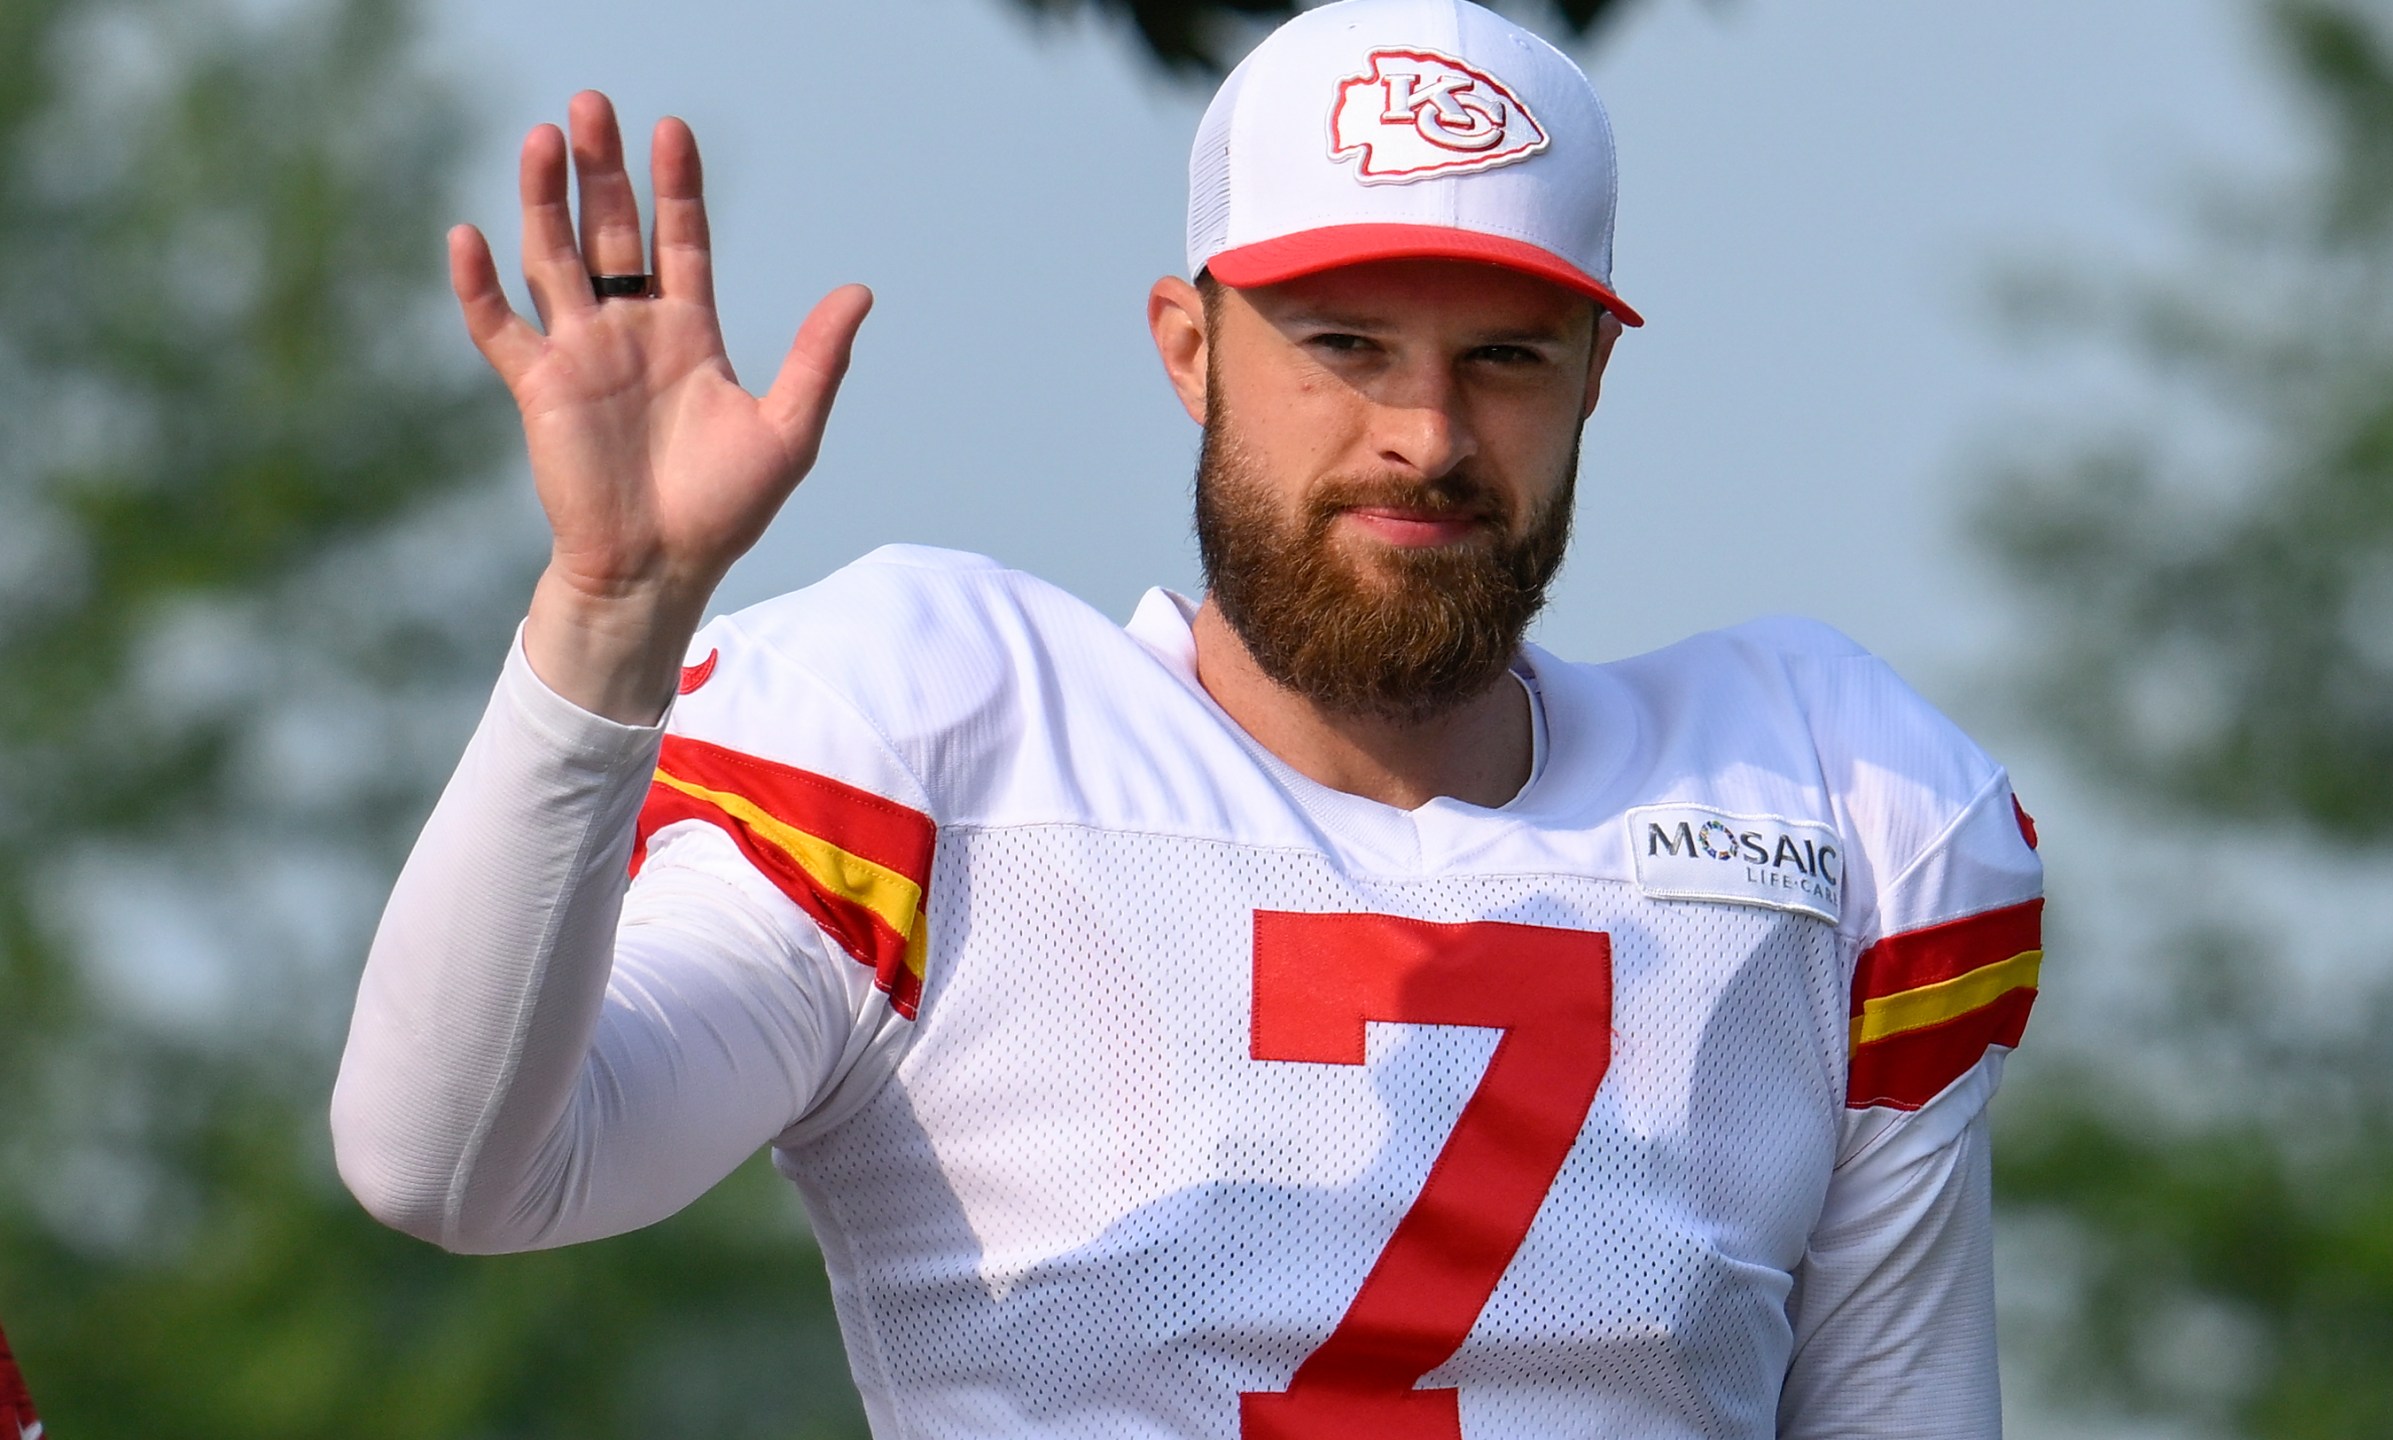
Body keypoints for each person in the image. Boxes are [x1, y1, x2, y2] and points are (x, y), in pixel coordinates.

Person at [332, 0, 2045, 1434]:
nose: (1426, 436)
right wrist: (611, 622)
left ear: (1597, 375)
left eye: (1506, 357)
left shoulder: (1832, 805)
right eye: (1345, 343)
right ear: (1189, 350)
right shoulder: (944, 736)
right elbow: (458, 1168)